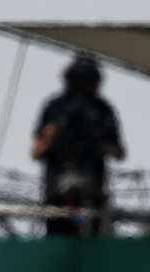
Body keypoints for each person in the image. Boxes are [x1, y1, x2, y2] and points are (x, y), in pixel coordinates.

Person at [32, 55, 126, 236]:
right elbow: (35, 152)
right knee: (61, 232)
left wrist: (102, 146)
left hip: (93, 187)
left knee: (91, 230)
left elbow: (120, 152)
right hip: (59, 191)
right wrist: (50, 138)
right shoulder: (55, 106)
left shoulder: (101, 109)